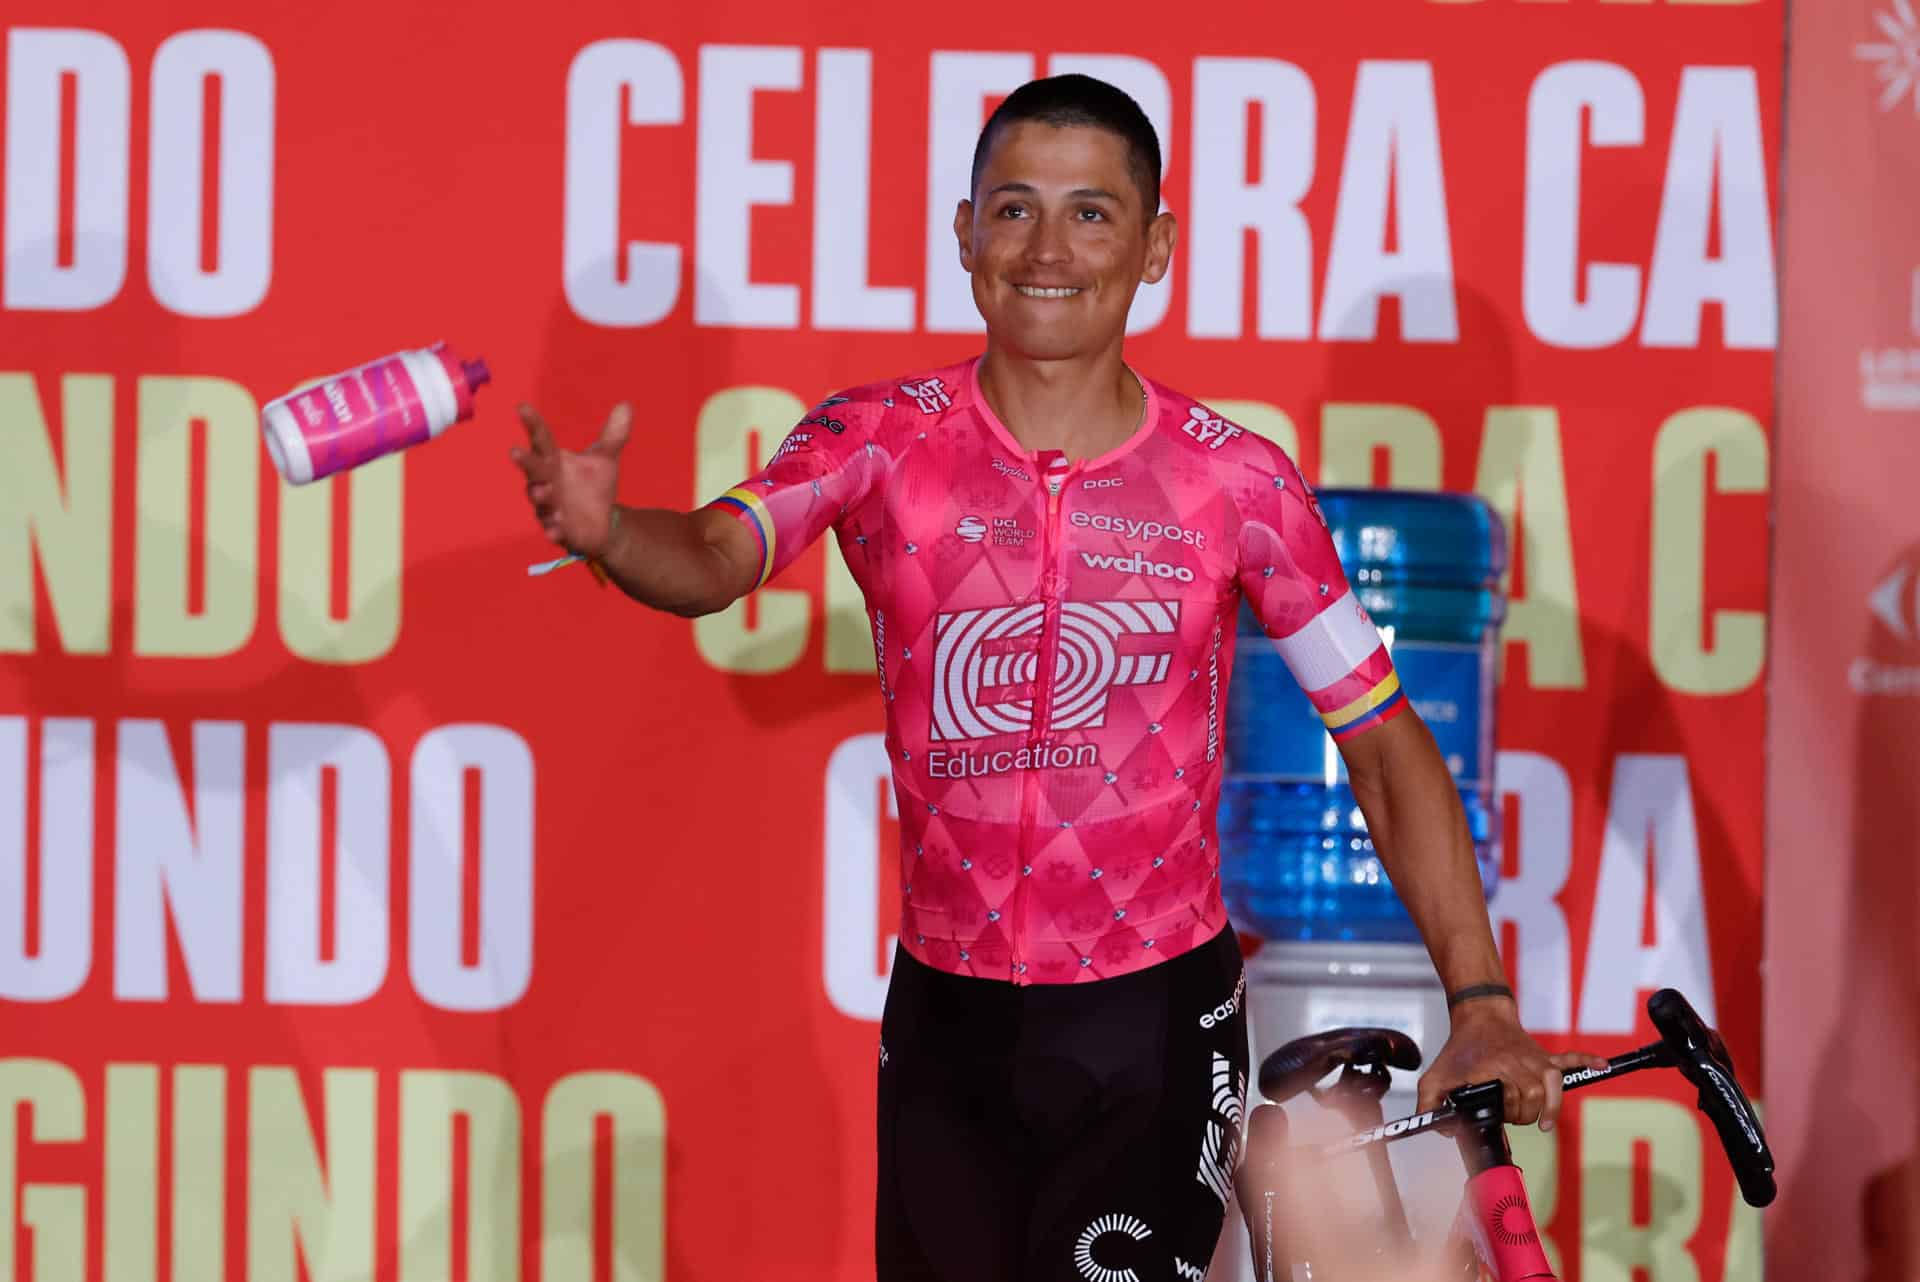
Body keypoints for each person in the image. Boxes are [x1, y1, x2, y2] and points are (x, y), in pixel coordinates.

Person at [513, 73, 1600, 1282]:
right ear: (965, 231)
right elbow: (716, 557)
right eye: (1015, 207)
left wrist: (1482, 995)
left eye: (1092, 213)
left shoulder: (1238, 483)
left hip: (1152, 1027)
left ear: (1155, 246)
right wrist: (612, 535)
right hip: (946, 1027)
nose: (1048, 248)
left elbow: (1385, 746)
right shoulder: (875, 439)